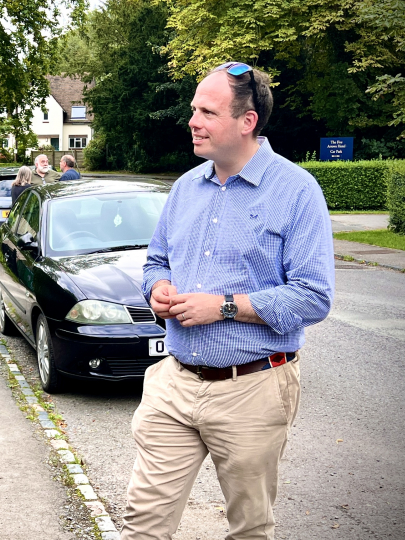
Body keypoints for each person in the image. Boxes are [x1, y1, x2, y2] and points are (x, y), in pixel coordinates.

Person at [122, 62, 335, 540]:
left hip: (253, 387)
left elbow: (314, 297)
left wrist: (222, 305)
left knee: (249, 527)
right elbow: (156, 262)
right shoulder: (185, 188)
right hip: (174, 384)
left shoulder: (297, 191)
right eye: (194, 109)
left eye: (208, 112)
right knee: (142, 521)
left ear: (247, 121)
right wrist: (156, 289)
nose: (193, 120)